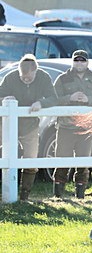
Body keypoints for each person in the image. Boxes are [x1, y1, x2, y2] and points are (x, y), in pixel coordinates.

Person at [0, 54, 57, 200]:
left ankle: (25, 195)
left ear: (35, 71)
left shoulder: (44, 78)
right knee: (5, 156)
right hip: (8, 125)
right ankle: (5, 192)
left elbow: (53, 98)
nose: (26, 79)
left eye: (29, 78)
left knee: (31, 158)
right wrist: (5, 99)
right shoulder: (10, 78)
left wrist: (41, 103)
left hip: (30, 124)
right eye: (23, 77)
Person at [52, 50, 92, 198]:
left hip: (86, 127)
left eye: (82, 60)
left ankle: (80, 195)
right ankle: (58, 195)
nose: (79, 63)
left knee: (83, 162)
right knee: (62, 161)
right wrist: (69, 98)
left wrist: (88, 99)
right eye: (76, 60)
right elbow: (54, 98)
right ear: (72, 62)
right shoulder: (62, 78)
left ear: (87, 62)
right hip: (66, 126)